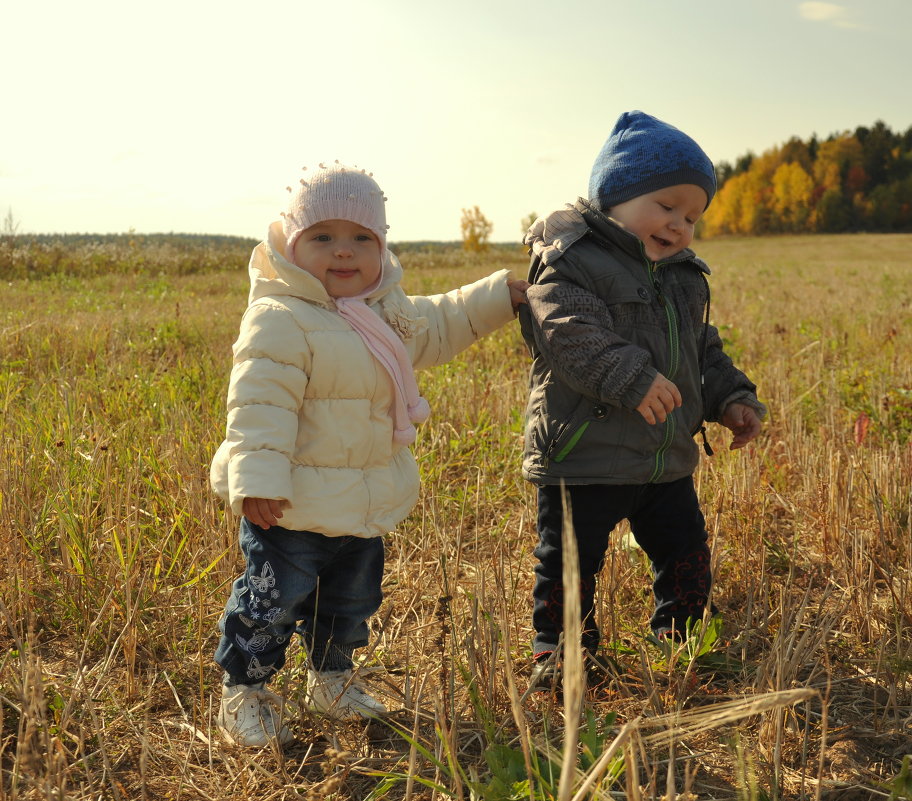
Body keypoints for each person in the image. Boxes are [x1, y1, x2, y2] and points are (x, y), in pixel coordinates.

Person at [210, 161, 528, 746]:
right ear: (290, 243)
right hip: (291, 507)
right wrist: (257, 479)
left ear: (382, 247)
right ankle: (244, 692)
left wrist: (500, 297)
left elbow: (444, 320)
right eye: (322, 237)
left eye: (362, 238)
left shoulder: (388, 312)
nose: (343, 253)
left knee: (350, 602)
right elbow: (259, 406)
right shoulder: (280, 318)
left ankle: (331, 680)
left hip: (362, 503)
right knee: (271, 603)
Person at [518, 111, 766, 688]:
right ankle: (562, 657)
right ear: (615, 196)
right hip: (584, 456)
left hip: (664, 456)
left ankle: (680, 643)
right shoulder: (570, 260)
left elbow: (701, 350)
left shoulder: (681, 275)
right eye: (666, 206)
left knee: (685, 556)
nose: (679, 225)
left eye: (692, 216)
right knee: (569, 567)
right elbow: (568, 333)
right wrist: (633, 377)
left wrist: (731, 397)